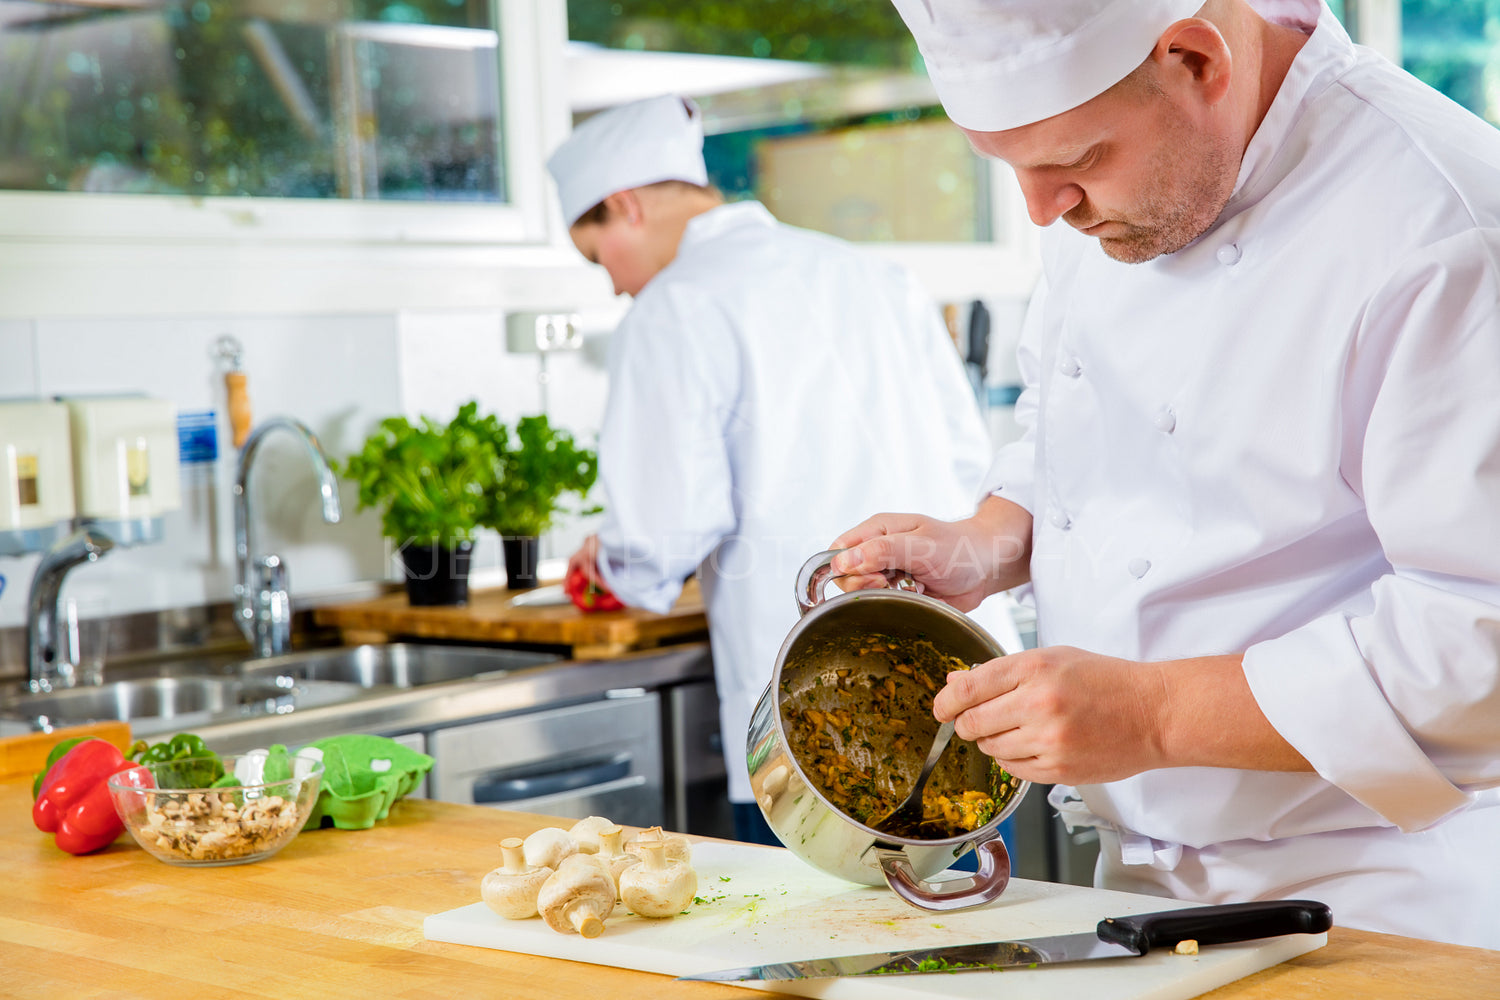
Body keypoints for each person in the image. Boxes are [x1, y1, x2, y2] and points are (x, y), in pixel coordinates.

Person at [830, 0, 1500, 948]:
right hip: (1139, 891)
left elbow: (1481, 638)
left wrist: (1152, 714)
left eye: (1077, 161)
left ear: (1193, 59)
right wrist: (987, 541)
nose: (1040, 211)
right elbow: (1068, 424)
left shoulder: (1449, 228)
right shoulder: (1136, 185)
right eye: (1012, 168)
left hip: (1380, 895)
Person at [546, 95, 1000, 844]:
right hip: (954, 681)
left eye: (598, 258)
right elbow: (965, 459)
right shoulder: (874, 275)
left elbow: (662, 538)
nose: (614, 284)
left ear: (624, 206)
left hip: (806, 727)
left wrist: (616, 563)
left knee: (814, 951)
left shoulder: (672, 307)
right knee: (956, 927)